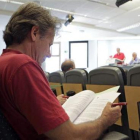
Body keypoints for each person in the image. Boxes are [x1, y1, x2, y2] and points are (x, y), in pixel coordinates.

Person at [0, 2, 121, 140]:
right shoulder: (23, 65)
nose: (49, 54)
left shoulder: (5, 63)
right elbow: (71, 136)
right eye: (49, 45)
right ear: (34, 33)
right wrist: (104, 120)